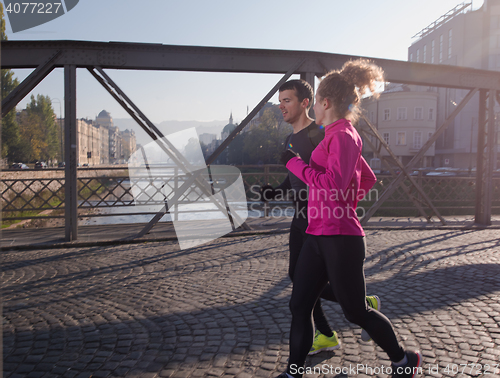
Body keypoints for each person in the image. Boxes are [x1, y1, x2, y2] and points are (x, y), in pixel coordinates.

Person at [275, 60, 422, 378]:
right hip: (317, 235)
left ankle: (402, 360)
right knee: (299, 305)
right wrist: (340, 204)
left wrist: (296, 165)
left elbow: (334, 184)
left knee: (356, 311)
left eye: (314, 102)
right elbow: (365, 179)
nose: (313, 106)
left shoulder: (343, 136)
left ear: (325, 103)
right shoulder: (334, 135)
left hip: (340, 240)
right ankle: (293, 372)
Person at [260, 79, 380, 355]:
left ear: (306, 103)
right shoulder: (291, 139)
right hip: (301, 217)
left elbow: (355, 175)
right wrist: (276, 192)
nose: (281, 106)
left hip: (321, 222)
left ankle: (357, 309)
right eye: (279, 101)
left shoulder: (322, 133)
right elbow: (299, 175)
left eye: (286, 100)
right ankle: (327, 333)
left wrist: (340, 205)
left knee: (307, 285)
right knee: (297, 277)